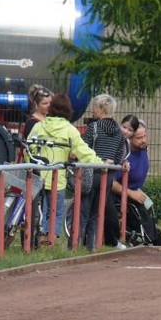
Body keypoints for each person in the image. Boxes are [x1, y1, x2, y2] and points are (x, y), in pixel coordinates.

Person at [26, 93, 101, 241]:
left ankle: (38, 236)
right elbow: (83, 151)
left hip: (38, 174)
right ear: (68, 110)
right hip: (57, 178)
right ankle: (50, 240)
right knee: (56, 212)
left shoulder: (38, 126)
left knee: (39, 209)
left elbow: (29, 147)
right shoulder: (69, 130)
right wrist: (101, 162)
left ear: (51, 108)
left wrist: (30, 163)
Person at [109, 117, 161, 247]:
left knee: (149, 204)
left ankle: (153, 235)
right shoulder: (123, 154)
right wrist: (130, 193)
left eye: (145, 136)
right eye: (139, 138)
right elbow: (111, 183)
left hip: (133, 188)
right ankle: (152, 239)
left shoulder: (144, 148)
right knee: (137, 208)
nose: (144, 140)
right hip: (117, 191)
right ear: (129, 139)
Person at [78, 93, 127, 249]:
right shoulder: (120, 132)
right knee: (97, 212)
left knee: (83, 210)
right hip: (108, 176)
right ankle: (92, 245)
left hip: (92, 173)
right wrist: (113, 161)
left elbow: (83, 147)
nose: (92, 110)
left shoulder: (94, 127)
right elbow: (121, 154)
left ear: (100, 109)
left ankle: (75, 243)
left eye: (94, 107)